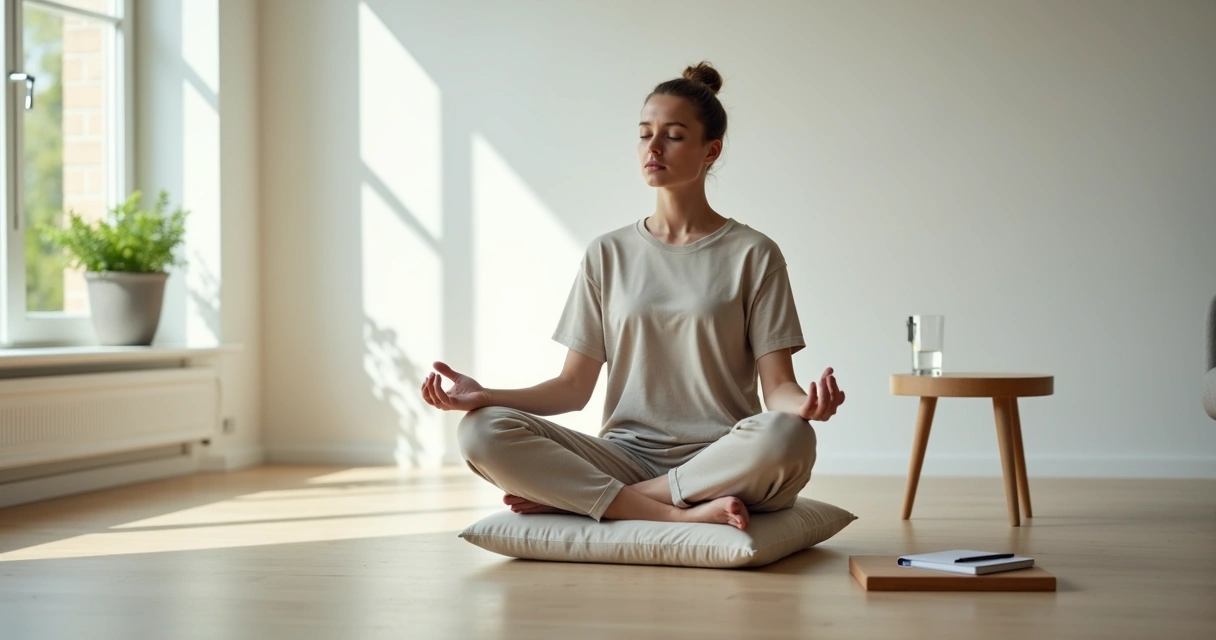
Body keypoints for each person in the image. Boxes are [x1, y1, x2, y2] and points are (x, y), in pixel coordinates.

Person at [420, 62, 845, 530]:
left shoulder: (754, 253)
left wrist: (803, 405)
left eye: (674, 135)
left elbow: (778, 387)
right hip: (623, 455)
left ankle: (603, 501)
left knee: (788, 435)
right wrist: (484, 395)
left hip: (723, 459)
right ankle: (677, 512)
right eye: (644, 134)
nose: (653, 147)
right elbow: (572, 388)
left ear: (712, 149)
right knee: (481, 429)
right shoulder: (607, 253)